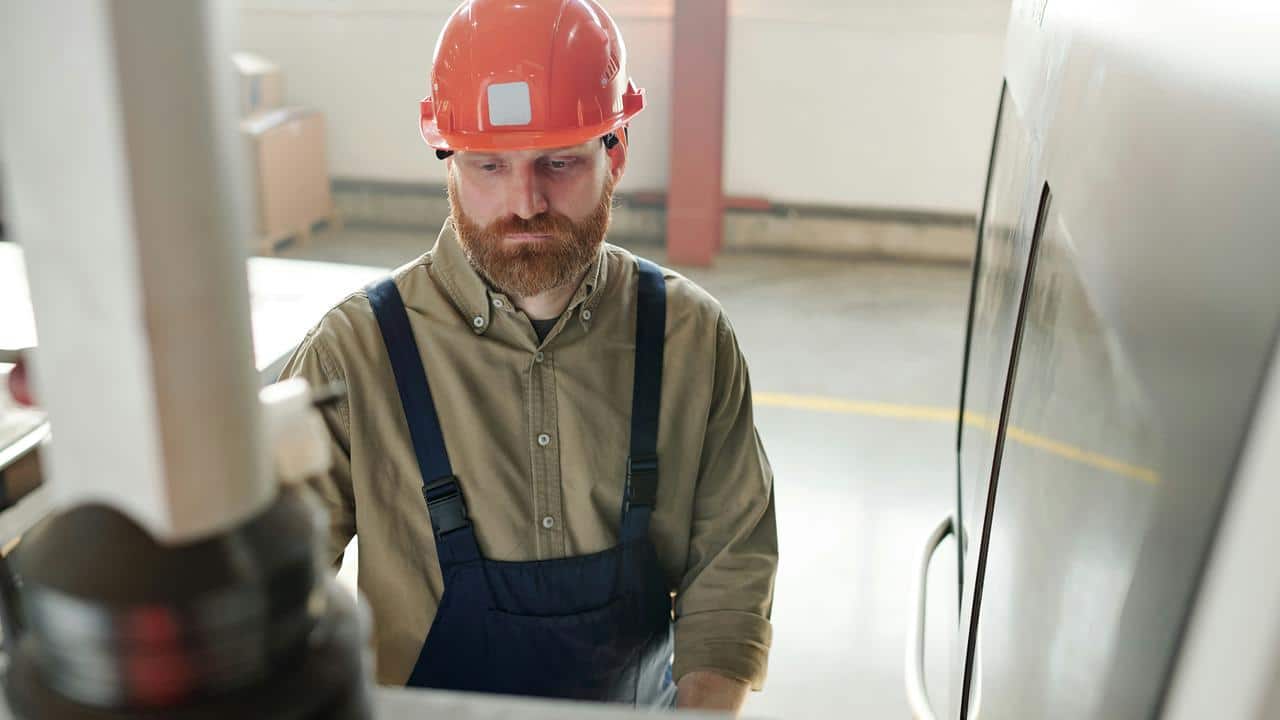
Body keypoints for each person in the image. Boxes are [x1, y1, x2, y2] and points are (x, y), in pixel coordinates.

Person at [280, 0, 776, 713]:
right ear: (448, 161)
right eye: (489, 166)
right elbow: (273, 606)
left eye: (560, 162)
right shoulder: (354, 354)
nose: (526, 202)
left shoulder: (690, 338)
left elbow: (732, 564)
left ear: (616, 151)